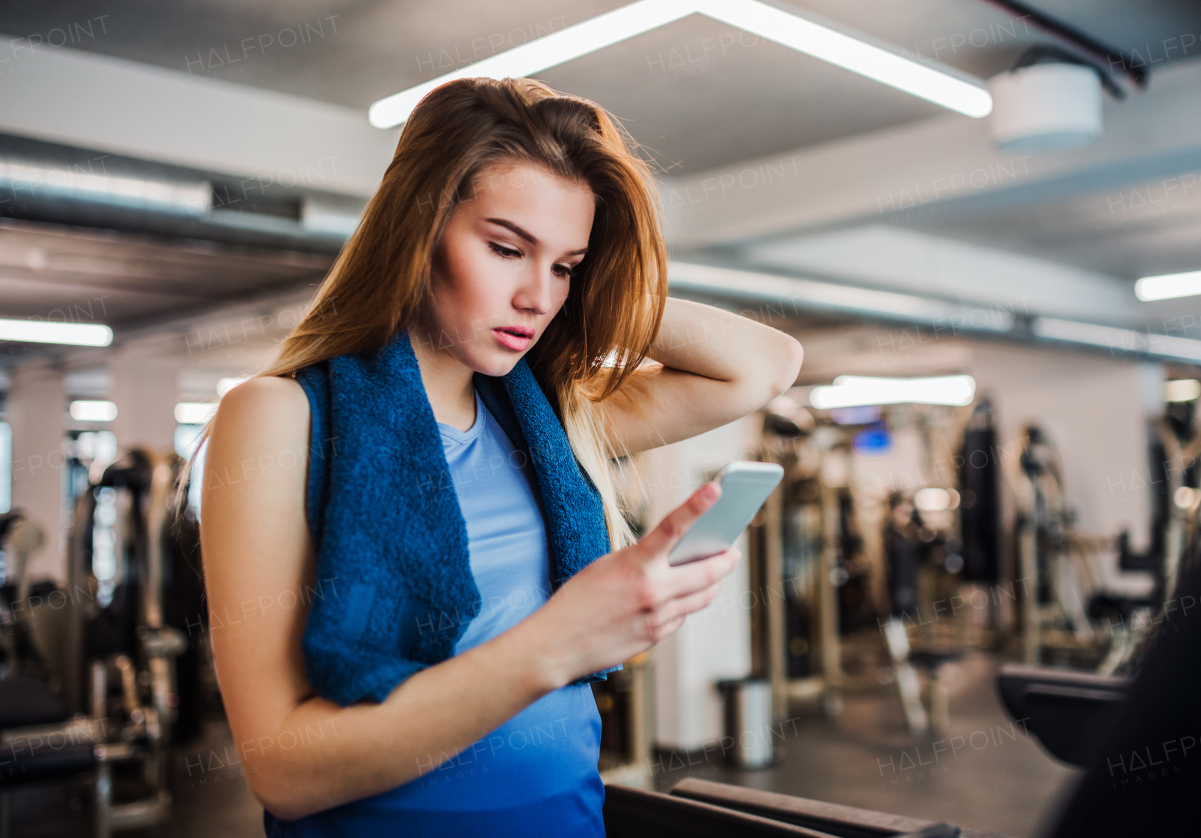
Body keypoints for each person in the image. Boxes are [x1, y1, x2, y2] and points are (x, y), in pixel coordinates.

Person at [198, 77, 803, 836]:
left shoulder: (552, 415)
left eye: (565, 267)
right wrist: (558, 643)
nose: (537, 298)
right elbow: (282, 771)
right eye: (507, 248)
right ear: (416, 230)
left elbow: (766, 364)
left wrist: (598, 285)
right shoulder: (278, 416)